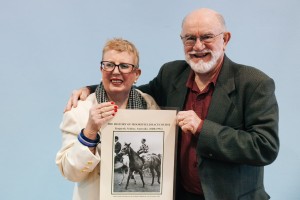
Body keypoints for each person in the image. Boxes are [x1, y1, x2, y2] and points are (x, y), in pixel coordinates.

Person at [64, 8, 279, 200]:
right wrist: (90, 89)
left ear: (226, 39)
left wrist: (202, 128)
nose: (198, 46)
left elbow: (265, 147)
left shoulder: (255, 83)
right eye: (189, 38)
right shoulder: (171, 74)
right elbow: (132, 90)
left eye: (207, 37)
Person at [56, 38, 159, 200]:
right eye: (109, 65)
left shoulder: (149, 105)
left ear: (136, 74)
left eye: (124, 66)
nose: (116, 71)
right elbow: (70, 173)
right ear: (101, 69)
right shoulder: (79, 110)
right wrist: (90, 131)